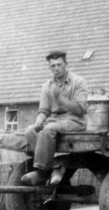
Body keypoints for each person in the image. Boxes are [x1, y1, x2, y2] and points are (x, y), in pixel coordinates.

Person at [21, 51, 88, 186]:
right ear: (49, 67)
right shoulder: (47, 85)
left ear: (66, 64)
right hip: (55, 120)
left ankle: (42, 173)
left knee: (48, 129)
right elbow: (44, 110)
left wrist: (60, 99)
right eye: (53, 66)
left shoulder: (78, 81)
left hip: (75, 120)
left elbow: (80, 110)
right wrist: (39, 120)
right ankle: (54, 168)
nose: (56, 68)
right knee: (30, 130)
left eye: (59, 64)